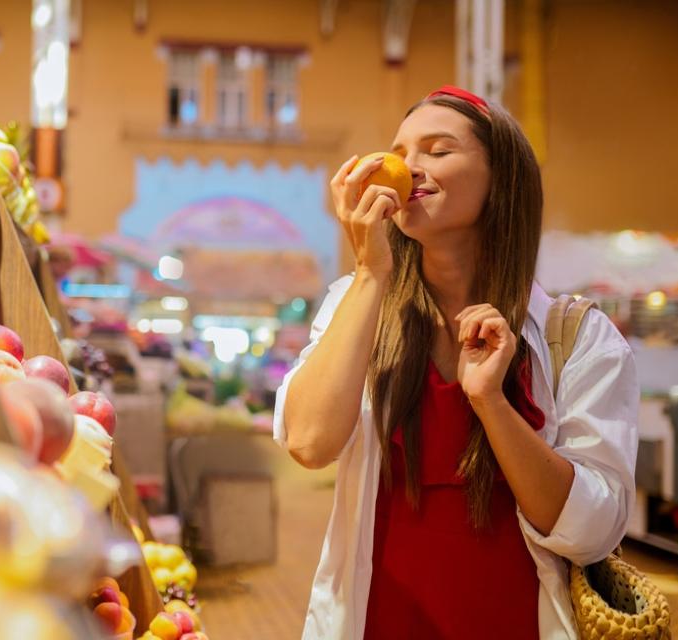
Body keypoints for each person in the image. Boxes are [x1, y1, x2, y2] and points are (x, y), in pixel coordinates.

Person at [273, 86, 638, 639]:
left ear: (502, 179)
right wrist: (372, 273)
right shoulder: (357, 304)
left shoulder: (579, 337)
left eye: (438, 150)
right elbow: (308, 443)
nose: (406, 166)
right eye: (399, 149)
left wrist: (490, 401)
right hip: (377, 621)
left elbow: (592, 531)